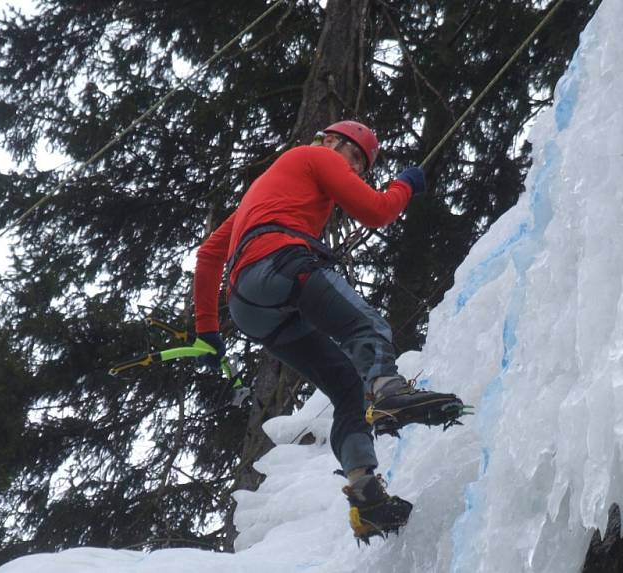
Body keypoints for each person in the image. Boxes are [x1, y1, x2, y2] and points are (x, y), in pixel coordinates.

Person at [192, 120, 465, 542]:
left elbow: (210, 253)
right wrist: (405, 184)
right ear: (331, 140)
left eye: (360, 164)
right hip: (280, 263)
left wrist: (208, 329)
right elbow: (378, 211)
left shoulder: (262, 193)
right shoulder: (314, 155)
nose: (354, 169)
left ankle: (365, 493)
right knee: (367, 325)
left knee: (345, 387)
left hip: (249, 305)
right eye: (353, 156)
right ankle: (390, 392)